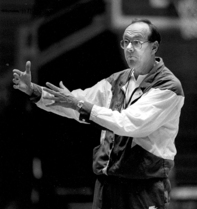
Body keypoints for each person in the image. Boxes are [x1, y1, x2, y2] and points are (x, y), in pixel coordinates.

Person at [12, 19, 184, 209]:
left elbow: (129, 124)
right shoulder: (115, 80)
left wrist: (80, 104)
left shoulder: (168, 87)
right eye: (125, 42)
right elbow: (76, 101)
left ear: (154, 47)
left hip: (143, 186)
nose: (129, 48)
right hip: (107, 184)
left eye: (136, 42)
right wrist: (35, 91)